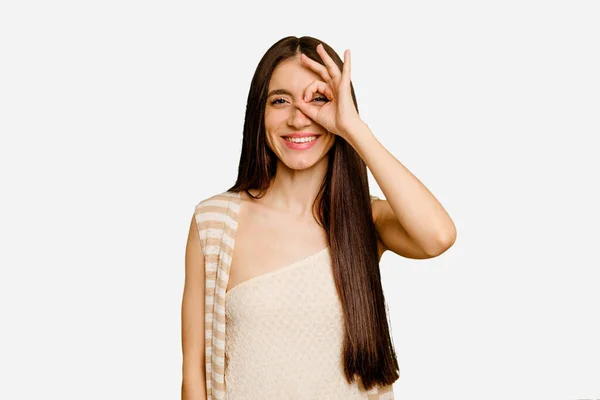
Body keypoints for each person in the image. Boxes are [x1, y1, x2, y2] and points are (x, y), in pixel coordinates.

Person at [181, 35, 457, 400]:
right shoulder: (214, 223)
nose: (299, 118)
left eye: (318, 99)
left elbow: (438, 236)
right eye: (280, 100)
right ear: (258, 113)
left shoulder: (367, 220)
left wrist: (354, 129)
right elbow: (194, 376)